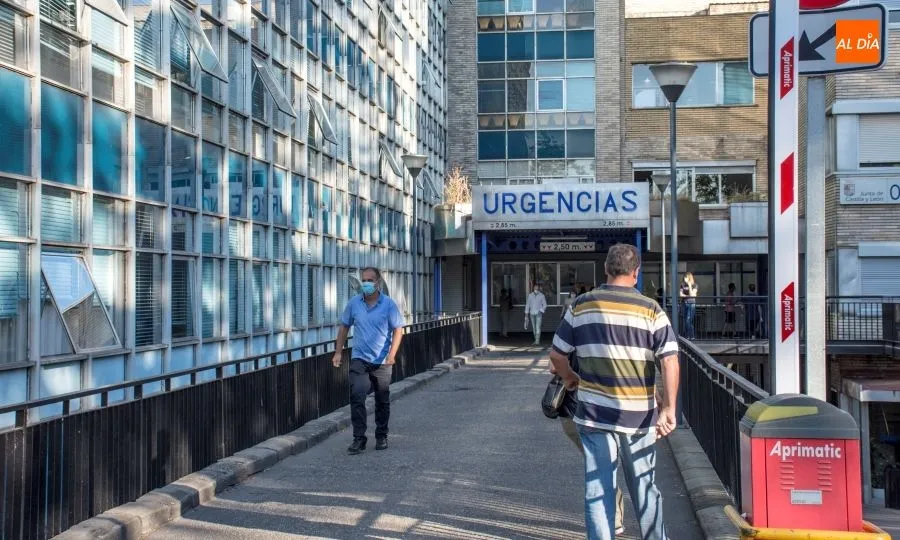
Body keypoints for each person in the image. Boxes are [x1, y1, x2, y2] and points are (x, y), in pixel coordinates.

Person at [549, 243, 680, 540]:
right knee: (644, 488)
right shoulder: (651, 310)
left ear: (606, 270)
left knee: (599, 489)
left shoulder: (581, 305)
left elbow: (557, 356)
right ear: (636, 273)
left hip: (594, 415)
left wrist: (571, 379)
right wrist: (669, 409)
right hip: (639, 417)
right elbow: (670, 360)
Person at [551, 321, 626, 536]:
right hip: (603, 411)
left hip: (571, 411)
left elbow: (553, 364)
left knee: (597, 466)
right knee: (604, 467)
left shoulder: (569, 333)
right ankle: (615, 519)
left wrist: (569, 376)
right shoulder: (609, 339)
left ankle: (608, 522)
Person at [332, 267, 405, 455]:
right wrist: (338, 352)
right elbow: (344, 328)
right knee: (357, 395)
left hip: (382, 361)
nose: (366, 284)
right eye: (364, 280)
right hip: (359, 358)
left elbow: (398, 330)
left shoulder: (388, 305)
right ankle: (359, 439)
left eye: (370, 280)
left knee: (382, 399)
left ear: (378, 282)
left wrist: (391, 355)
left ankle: (381, 435)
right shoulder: (354, 303)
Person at [680, 272, 698, 339]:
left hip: (691, 304)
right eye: (684, 277)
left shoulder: (695, 285)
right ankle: (687, 336)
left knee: (688, 320)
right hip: (684, 303)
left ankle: (692, 336)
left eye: (686, 277)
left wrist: (689, 285)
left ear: (689, 278)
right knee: (685, 320)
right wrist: (688, 296)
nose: (684, 279)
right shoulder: (682, 285)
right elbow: (681, 294)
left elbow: (693, 294)